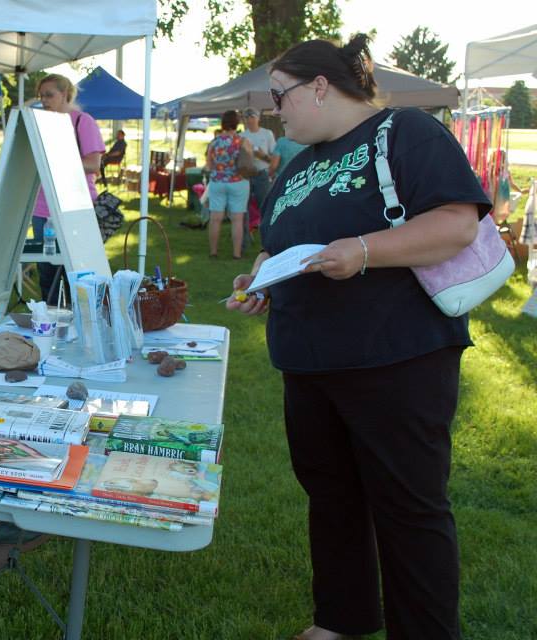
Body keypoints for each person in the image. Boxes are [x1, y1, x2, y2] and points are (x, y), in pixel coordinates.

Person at [227, 34, 489, 640]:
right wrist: (261, 275)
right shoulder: (298, 163)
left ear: (320, 86)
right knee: (331, 493)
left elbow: (456, 224)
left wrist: (366, 251)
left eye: (280, 96)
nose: (276, 111)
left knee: (408, 507)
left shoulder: (407, 133)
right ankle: (342, 620)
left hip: (396, 357)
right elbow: (286, 243)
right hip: (311, 360)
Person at [31, 73, 105, 305]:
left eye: (49, 95)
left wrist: (58, 160)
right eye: (41, 95)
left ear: (65, 94)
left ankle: (82, 325)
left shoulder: (83, 121)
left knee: (78, 273)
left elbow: (93, 164)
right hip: (43, 208)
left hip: (76, 207)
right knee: (47, 274)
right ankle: (51, 327)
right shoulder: (40, 123)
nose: (44, 100)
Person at [204, 110, 253, 259]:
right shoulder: (243, 141)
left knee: (215, 218)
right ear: (237, 123)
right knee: (237, 220)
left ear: (223, 123)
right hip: (238, 182)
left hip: (218, 182)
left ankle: (213, 252)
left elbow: (209, 164)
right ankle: (236, 254)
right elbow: (249, 163)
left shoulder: (214, 142)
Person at [240, 106, 279, 207]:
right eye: (246, 117)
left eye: (252, 116)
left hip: (262, 174)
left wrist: (262, 156)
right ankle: (246, 223)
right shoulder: (241, 136)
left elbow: (274, 157)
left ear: (258, 118)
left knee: (264, 205)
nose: (249, 120)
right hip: (246, 174)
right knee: (244, 206)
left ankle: (264, 223)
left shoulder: (267, 133)